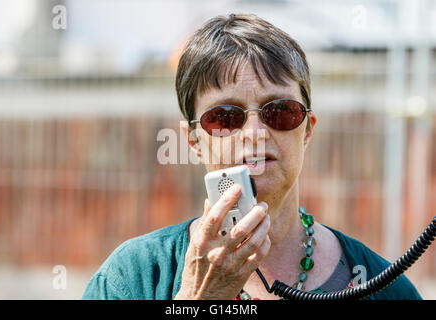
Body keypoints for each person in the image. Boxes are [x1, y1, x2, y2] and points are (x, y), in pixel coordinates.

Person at [82, 13, 422, 300]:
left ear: (307, 130)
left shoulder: (385, 286)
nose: (255, 132)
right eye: (226, 116)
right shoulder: (133, 277)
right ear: (194, 140)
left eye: (280, 111)